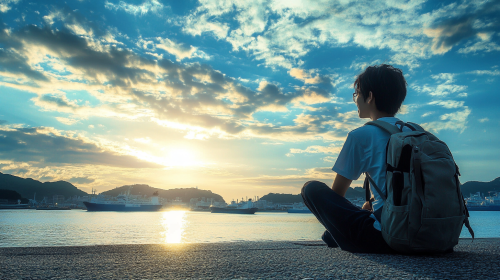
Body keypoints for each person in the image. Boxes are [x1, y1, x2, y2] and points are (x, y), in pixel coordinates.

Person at [301, 64, 409, 254]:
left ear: (370, 96)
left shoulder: (362, 135)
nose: (356, 99)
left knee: (310, 188)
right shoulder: (416, 132)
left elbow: (337, 196)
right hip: (432, 233)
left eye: (357, 93)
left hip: (387, 237)